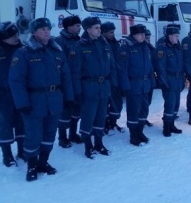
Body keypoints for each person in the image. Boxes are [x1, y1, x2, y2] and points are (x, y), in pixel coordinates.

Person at [9, 18, 74, 181]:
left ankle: (43, 162)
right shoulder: (23, 53)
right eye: (42, 29)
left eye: (48, 28)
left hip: (54, 100)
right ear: (34, 32)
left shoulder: (57, 51)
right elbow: (16, 80)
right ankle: (32, 166)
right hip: (34, 101)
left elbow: (66, 77)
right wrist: (22, 103)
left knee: (49, 134)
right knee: (33, 135)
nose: (47, 31)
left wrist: (69, 98)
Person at [70, 17, 117, 159]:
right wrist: (77, 92)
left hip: (104, 87)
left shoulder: (104, 44)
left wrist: (113, 84)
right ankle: (87, 145)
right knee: (88, 117)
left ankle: (99, 143)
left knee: (101, 117)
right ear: (88, 29)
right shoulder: (80, 46)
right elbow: (75, 72)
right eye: (96, 27)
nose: (99, 30)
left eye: (99, 27)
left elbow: (112, 66)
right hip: (88, 87)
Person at [117, 24, 156, 145]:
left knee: (144, 109)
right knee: (134, 110)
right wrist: (125, 86)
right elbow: (122, 69)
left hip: (145, 83)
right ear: (134, 35)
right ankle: (133, 134)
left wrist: (152, 81)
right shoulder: (126, 48)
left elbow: (149, 66)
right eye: (141, 34)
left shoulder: (145, 47)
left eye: (144, 34)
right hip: (133, 84)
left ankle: (140, 131)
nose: (143, 36)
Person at [55, 15, 82, 148]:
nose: (80, 27)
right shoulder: (60, 41)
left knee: (77, 108)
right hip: (66, 81)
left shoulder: (79, 40)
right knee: (65, 110)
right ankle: (62, 137)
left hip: (79, 81)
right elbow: (58, 63)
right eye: (77, 25)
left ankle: (73, 133)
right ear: (69, 27)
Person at [0, 21, 24, 167]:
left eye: (17, 34)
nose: (16, 37)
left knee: (22, 121)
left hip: (21, 93)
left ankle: (22, 151)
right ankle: (7, 154)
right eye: (12, 35)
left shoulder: (23, 49)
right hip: (3, 94)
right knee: (5, 124)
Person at [154, 27, 185, 137]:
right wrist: (164, 82)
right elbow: (160, 68)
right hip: (169, 79)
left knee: (176, 104)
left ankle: (172, 124)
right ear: (169, 36)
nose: (177, 38)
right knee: (169, 104)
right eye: (176, 36)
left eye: (178, 35)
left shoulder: (177, 47)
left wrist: (182, 79)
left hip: (177, 79)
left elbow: (181, 65)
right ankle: (166, 127)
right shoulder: (163, 49)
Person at [101, 21, 124, 133]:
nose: (113, 34)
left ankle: (113, 123)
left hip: (116, 78)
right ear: (103, 32)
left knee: (117, 103)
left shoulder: (116, 43)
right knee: (104, 104)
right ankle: (104, 124)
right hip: (105, 79)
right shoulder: (100, 43)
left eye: (113, 32)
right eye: (111, 32)